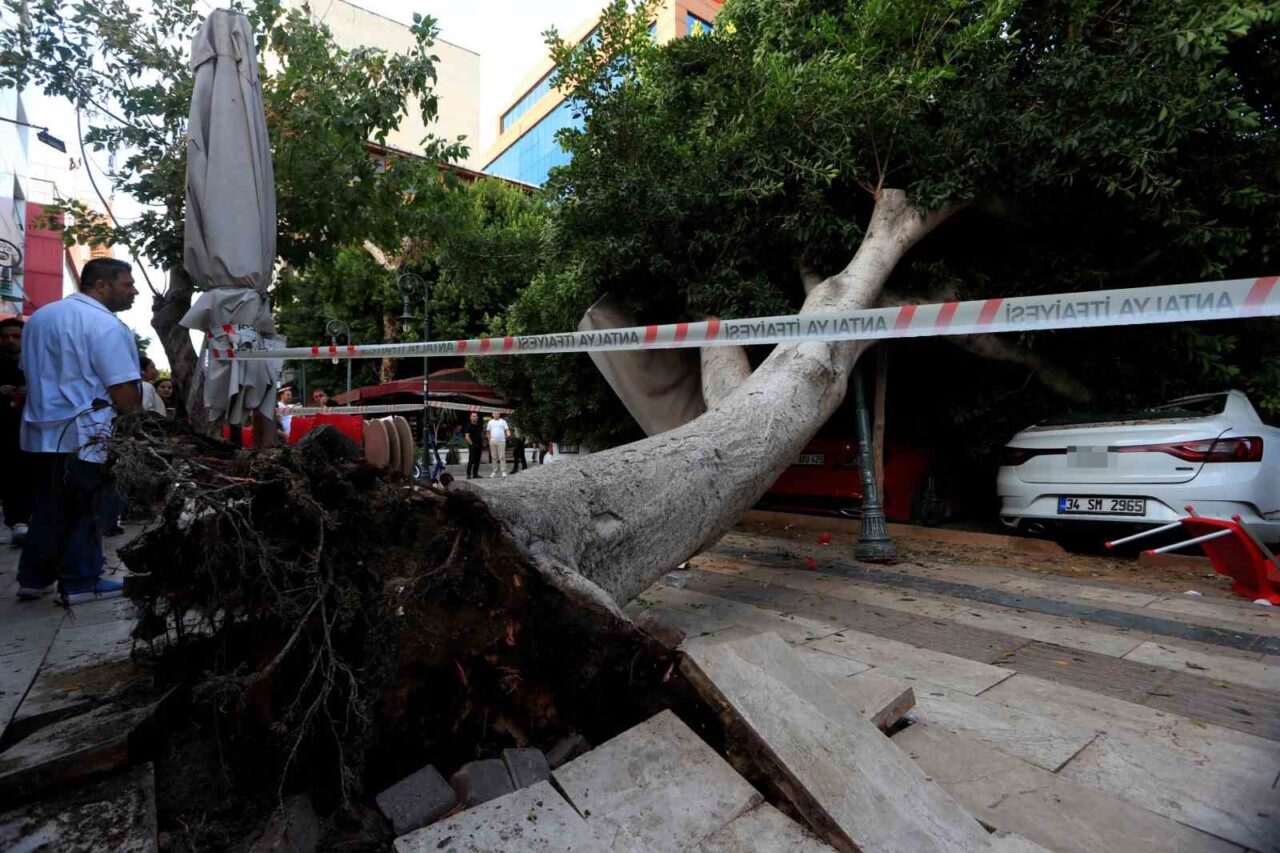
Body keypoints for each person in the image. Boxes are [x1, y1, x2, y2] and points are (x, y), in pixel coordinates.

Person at [17, 257, 141, 604]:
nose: (134, 291)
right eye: (126, 284)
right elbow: (123, 389)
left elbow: (29, 372)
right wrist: (139, 428)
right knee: (85, 506)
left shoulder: (40, 318)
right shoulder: (105, 325)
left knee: (48, 506)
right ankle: (80, 581)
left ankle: (34, 577)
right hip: (86, 433)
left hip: (40, 430)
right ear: (101, 285)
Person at [0, 317, 30, 546]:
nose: (10, 341)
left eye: (16, 336)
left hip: (31, 429)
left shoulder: (36, 363)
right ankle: (16, 521)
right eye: (5, 336)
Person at [487, 412, 509, 478]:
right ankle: (494, 471)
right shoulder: (490, 422)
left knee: (502, 456)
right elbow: (488, 432)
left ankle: (504, 471)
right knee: (494, 457)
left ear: (499, 414)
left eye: (497, 413)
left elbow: (507, 429)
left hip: (501, 441)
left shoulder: (503, 421)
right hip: (492, 441)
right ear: (492, 415)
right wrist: (489, 440)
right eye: (494, 413)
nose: (496, 414)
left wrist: (508, 434)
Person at [464, 411, 483, 480]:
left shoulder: (479, 425)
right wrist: (472, 444)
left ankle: (475, 474)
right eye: (473, 416)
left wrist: (483, 442)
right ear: (470, 418)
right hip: (473, 445)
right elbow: (466, 436)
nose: (475, 417)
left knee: (477, 460)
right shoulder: (469, 426)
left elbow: (480, 434)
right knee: (471, 460)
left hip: (479, 445)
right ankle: (468, 474)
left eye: (476, 416)